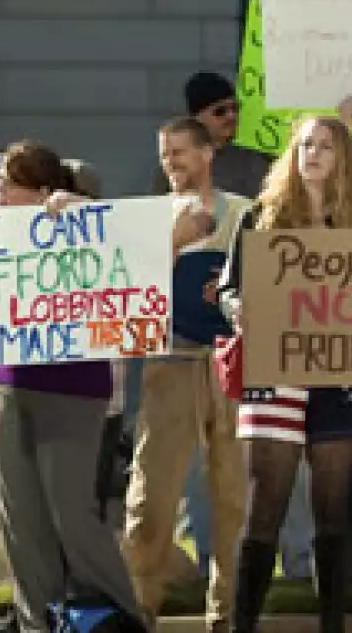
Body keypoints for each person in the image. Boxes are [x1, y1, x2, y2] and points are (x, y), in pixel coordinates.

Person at [0, 142, 145, 633]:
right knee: (20, 521)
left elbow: (141, 250)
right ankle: (36, 623)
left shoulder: (84, 226)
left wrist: (83, 212)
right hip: (8, 387)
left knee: (73, 515)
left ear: (41, 189)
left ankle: (126, 619)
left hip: (74, 392)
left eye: (9, 184)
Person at [217, 114, 352, 633]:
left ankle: (333, 625)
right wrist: (237, 306)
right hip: (274, 368)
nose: (313, 154)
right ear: (292, 152)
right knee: (266, 504)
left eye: (326, 146)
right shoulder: (261, 218)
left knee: (333, 511)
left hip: (338, 371)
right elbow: (228, 287)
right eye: (305, 144)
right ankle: (243, 626)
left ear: (342, 158)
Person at [121, 117, 253, 633]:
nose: (170, 161)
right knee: (151, 500)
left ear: (207, 154)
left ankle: (228, 616)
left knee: (233, 500)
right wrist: (174, 241)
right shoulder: (148, 218)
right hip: (170, 365)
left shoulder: (245, 213)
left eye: (179, 151)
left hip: (232, 367)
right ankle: (140, 610)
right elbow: (125, 292)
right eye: (164, 153)